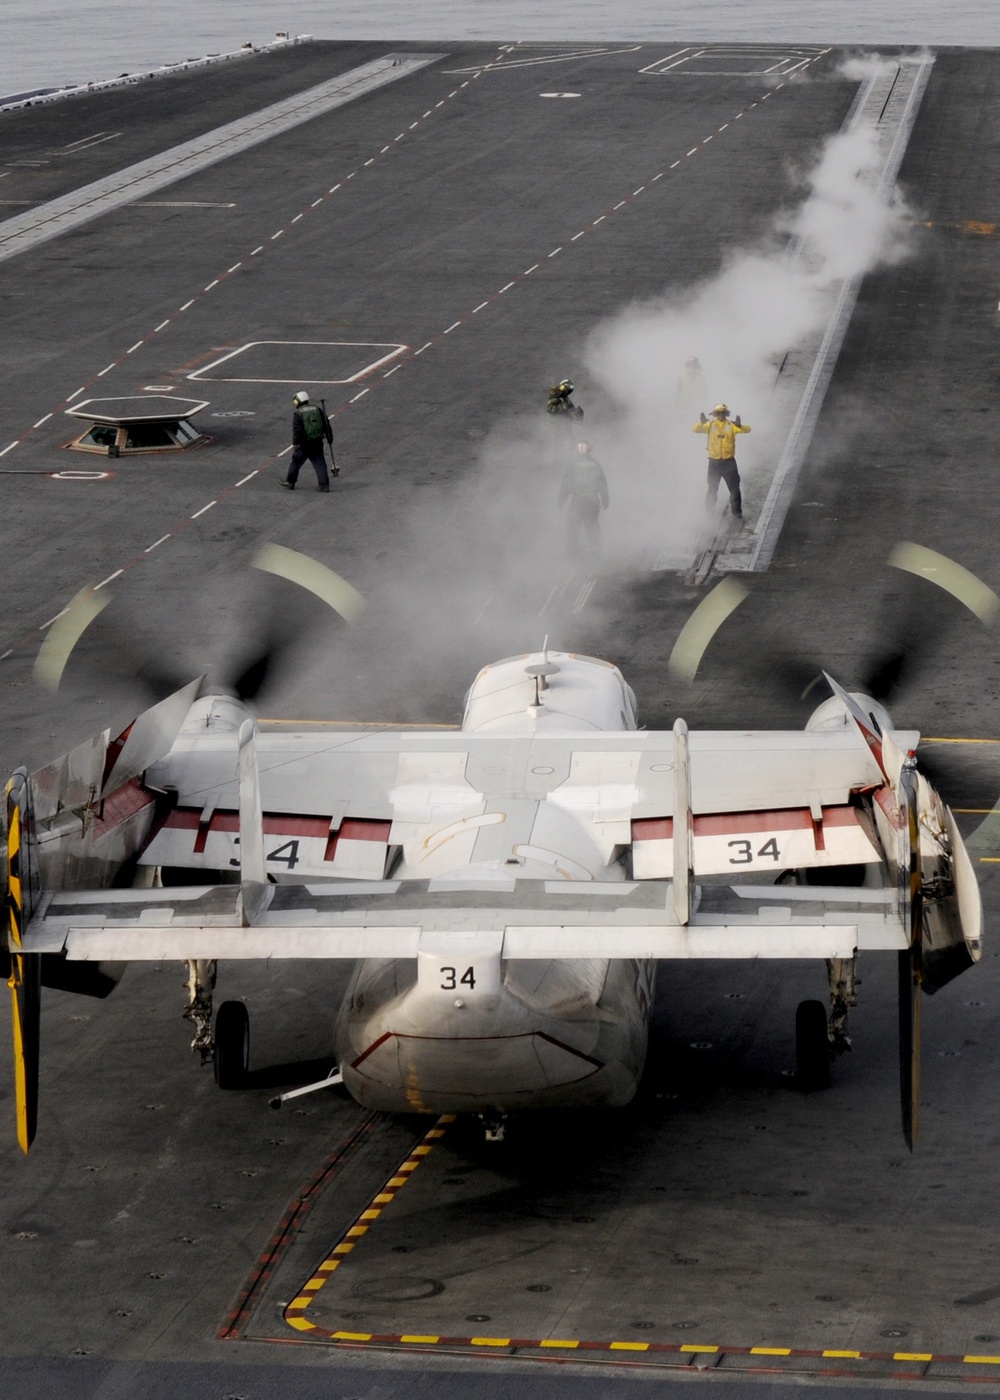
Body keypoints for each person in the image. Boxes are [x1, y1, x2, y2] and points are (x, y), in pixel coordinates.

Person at [692, 403, 750, 520]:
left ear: (726, 414)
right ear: (715, 414)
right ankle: (709, 511)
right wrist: (701, 423)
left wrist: (740, 425)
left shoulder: (731, 425)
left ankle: (737, 512)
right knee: (712, 488)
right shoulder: (709, 425)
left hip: (729, 462)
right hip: (714, 463)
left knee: (734, 489)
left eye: (723, 413)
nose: (721, 415)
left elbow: (747, 429)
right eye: (718, 413)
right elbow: (695, 429)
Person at [558, 441, 609, 557]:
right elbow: (602, 482)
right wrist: (605, 498)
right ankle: (596, 553)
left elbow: (566, 484)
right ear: (589, 450)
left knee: (572, 526)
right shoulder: (595, 464)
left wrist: (561, 499)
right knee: (592, 526)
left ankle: (573, 554)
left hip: (578, 499)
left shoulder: (572, 464)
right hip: (592, 499)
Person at [282, 390, 335, 491]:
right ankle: (324, 486)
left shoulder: (298, 413)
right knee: (319, 463)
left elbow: (297, 430)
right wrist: (329, 437)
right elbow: (326, 424)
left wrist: (296, 443)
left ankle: (290, 482)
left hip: (304, 443)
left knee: (296, 462)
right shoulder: (317, 409)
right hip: (317, 441)